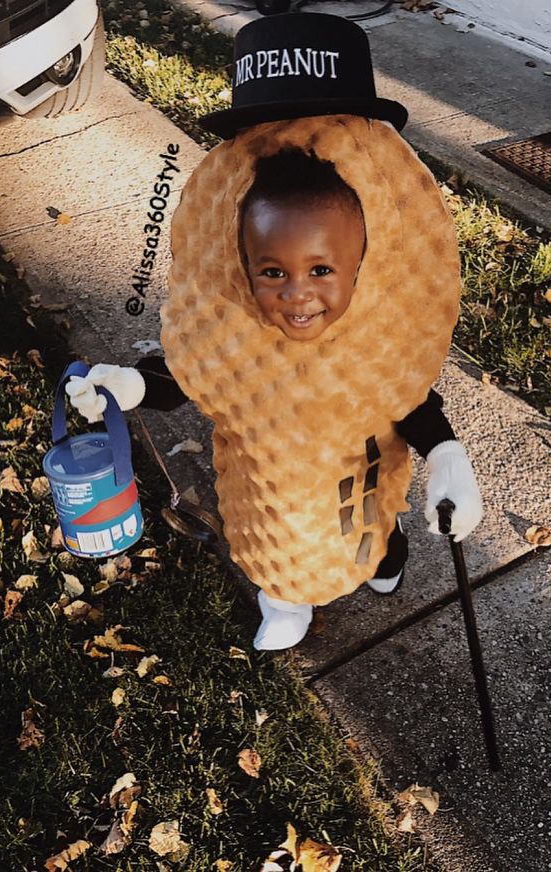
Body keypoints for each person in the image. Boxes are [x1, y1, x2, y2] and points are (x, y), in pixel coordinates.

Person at [65, 13, 483, 651]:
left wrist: (447, 455)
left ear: (363, 265)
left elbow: (410, 401)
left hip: (358, 484)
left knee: (375, 526)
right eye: (271, 271)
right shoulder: (236, 336)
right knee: (276, 548)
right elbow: (192, 377)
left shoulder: (375, 341)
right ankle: (284, 601)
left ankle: (384, 560)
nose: (297, 294)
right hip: (269, 490)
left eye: (322, 269)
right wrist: (129, 386)